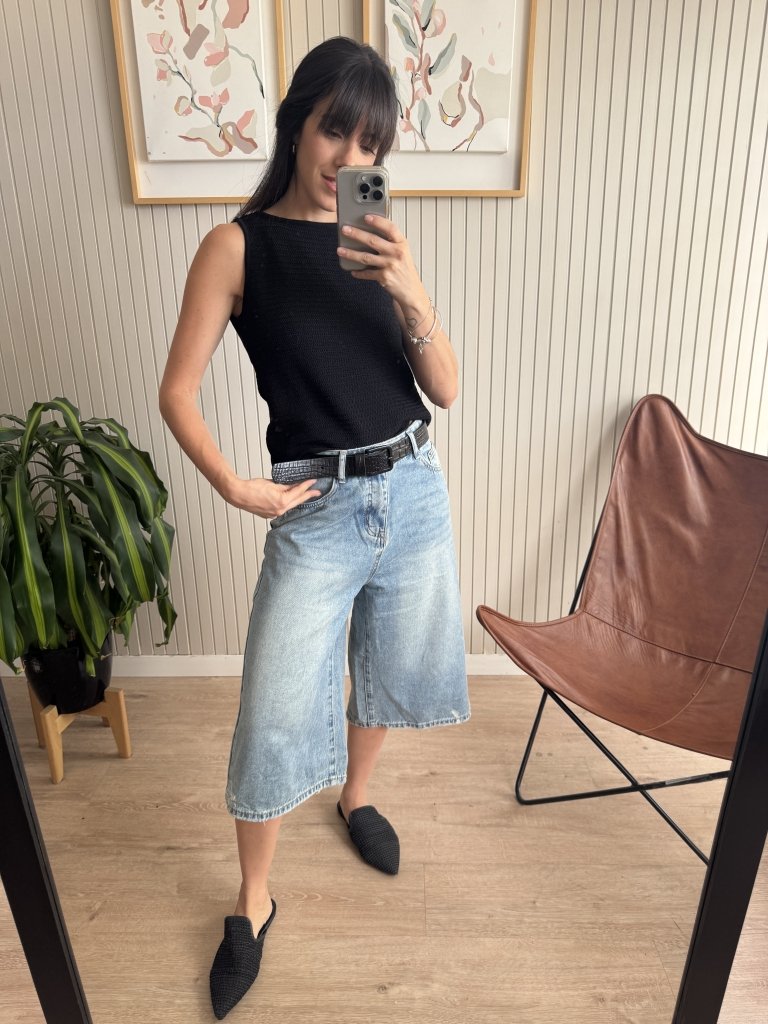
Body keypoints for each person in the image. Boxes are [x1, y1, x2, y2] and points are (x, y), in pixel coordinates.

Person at [158, 36, 470, 1019]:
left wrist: (409, 289)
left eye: (371, 144)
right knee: (272, 712)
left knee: (386, 665)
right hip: (317, 508)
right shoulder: (237, 247)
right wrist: (235, 485)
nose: (349, 158)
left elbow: (446, 388)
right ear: (297, 122)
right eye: (337, 130)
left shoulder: (378, 243)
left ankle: (356, 796)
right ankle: (253, 898)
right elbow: (177, 392)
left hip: (413, 487)